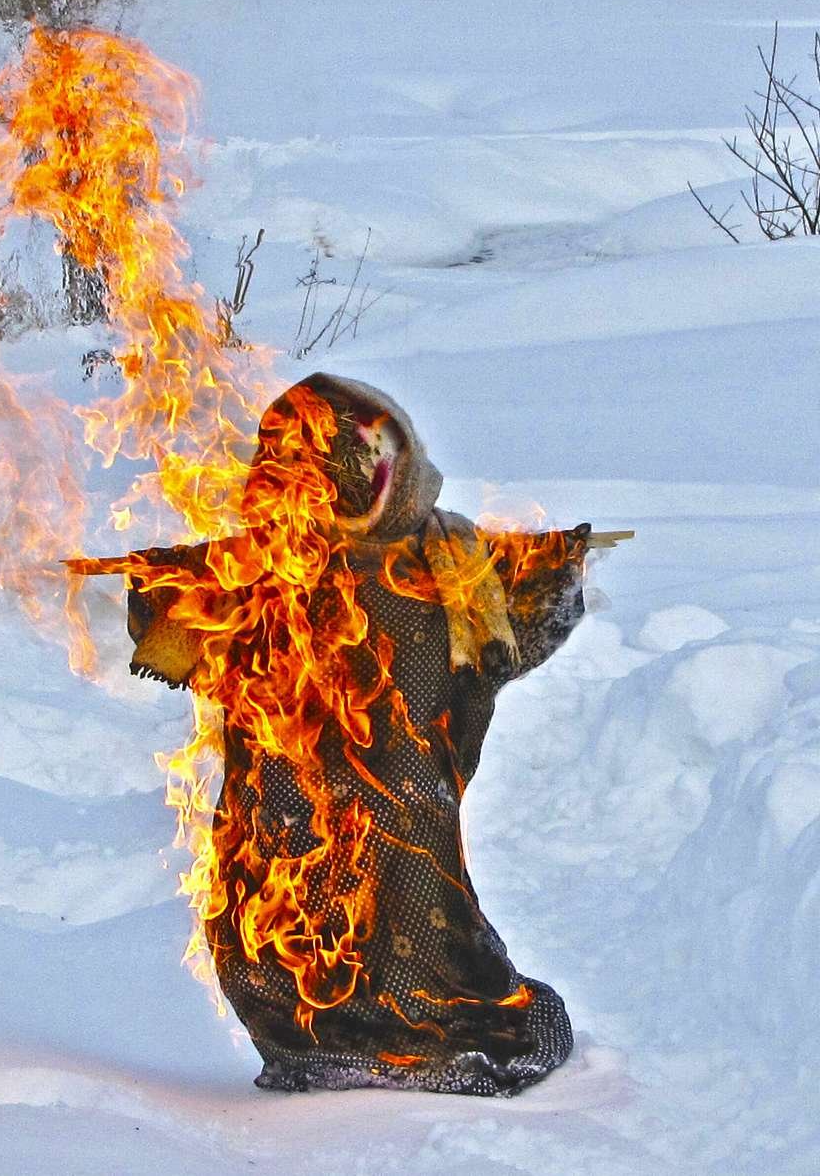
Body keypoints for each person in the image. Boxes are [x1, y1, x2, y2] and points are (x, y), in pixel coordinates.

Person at [124, 372, 590, 1096]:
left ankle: (389, 1033)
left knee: (407, 917)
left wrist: (549, 564)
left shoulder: (445, 558)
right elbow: (182, 610)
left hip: (400, 816)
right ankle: (321, 1036)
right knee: (290, 930)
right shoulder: (262, 570)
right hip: (286, 821)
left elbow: (519, 603)